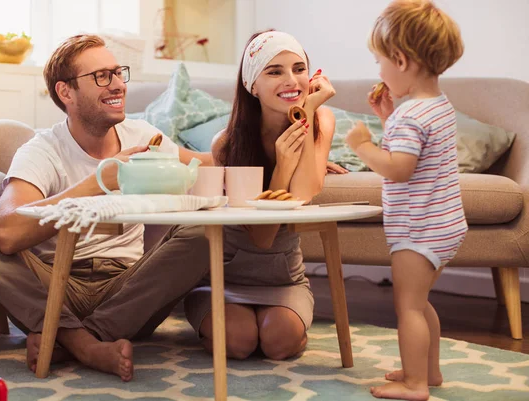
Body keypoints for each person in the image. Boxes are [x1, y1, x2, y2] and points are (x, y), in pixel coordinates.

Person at [0, 34, 214, 382]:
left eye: (119, 73)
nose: (118, 84)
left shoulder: (144, 137)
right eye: (102, 76)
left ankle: (64, 339)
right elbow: (8, 233)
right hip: (53, 286)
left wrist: (265, 130)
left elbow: (208, 166)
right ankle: (86, 345)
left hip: (128, 290)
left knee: (205, 229)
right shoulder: (42, 149)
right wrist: (100, 181)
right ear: (65, 92)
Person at [183, 30, 337, 361]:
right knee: (239, 343)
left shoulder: (321, 117)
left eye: (299, 68)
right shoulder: (225, 144)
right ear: (253, 85)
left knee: (278, 343)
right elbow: (263, 237)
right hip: (224, 278)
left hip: (284, 280)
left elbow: (306, 192)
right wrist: (282, 167)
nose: (291, 80)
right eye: (274, 71)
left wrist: (307, 110)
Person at [345, 1, 467, 399]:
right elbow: (418, 152)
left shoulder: (409, 117)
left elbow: (399, 168)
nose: (378, 70)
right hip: (444, 225)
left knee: (408, 308)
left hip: (418, 230)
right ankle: (427, 371)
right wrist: (387, 119)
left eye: (379, 61)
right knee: (421, 302)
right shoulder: (437, 107)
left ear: (399, 59)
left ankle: (416, 385)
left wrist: (362, 144)